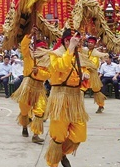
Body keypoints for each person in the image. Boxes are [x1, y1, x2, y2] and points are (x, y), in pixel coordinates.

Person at [45, 29, 88, 167]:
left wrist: (86, 75)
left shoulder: (79, 55)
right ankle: (53, 163)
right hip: (60, 97)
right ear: (66, 41)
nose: (78, 44)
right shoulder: (55, 54)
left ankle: (62, 153)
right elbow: (61, 67)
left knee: (80, 134)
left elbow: (84, 70)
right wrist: (70, 49)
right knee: (58, 136)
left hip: (75, 98)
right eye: (74, 41)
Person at [11, 32, 51, 145]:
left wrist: (39, 72)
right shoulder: (28, 55)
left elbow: (48, 75)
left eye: (44, 48)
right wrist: (30, 34)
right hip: (27, 85)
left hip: (39, 87)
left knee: (40, 111)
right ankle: (24, 125)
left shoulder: (47, 61)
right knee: (24, 110)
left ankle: (36, 134)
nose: (42, 50)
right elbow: (24, 45)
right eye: (40, 48)